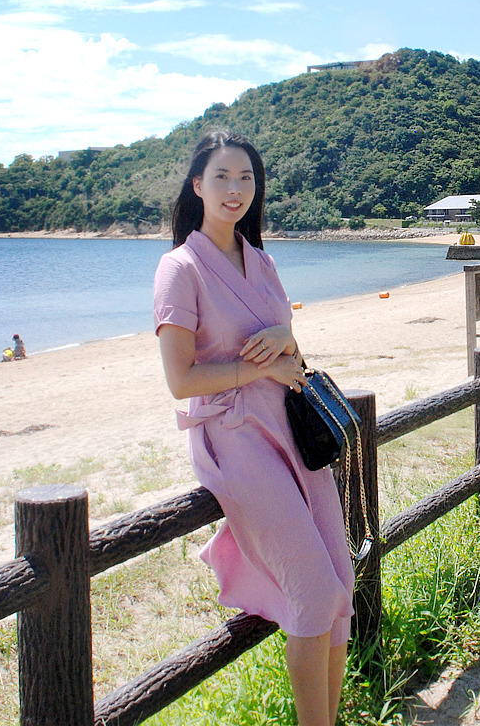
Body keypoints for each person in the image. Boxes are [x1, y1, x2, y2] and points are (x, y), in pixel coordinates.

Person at [153, 129, 353, 726]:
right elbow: (180, 380)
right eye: (222, 177)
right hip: (234, 437)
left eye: (246, 178)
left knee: (340, 589)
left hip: (288, 429)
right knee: (313, 593)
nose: (235, 189)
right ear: (197, 186)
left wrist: (286, 339)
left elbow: (292, 355)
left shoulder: (262, 260)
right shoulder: (179, 269)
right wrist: (257, 367)